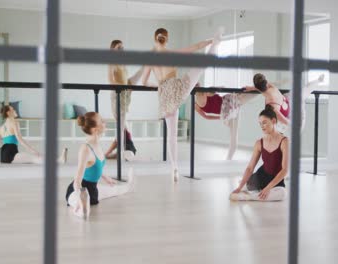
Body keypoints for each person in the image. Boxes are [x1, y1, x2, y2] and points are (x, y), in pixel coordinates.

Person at [141, 27, 222, 181]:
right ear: (167, 39)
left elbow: (144, 81)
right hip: (178, 89)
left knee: (171, 134)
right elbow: (196, 47)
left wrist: (158, 85)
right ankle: (216, 44)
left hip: (165, 95)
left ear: (154, 39)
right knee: (200, 67)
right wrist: (210, 41)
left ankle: (174, 168)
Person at [65, 112, 135, 219]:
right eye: (102, 121)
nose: (105, 122)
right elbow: (77, 181)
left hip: (93, 190)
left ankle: (129, 185)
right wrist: (81, 195)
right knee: (79, 201)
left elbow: (95, 167)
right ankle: (81, 207)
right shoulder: (86, 148)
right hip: (78, 189)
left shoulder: (97, 145)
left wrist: (106, 177)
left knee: (116, 190)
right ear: (95, 129)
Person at [230, 105, 289, 201]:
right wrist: (240, 187)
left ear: (273, 121)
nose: (262, 126)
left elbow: (285, 170)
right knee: (247, 185)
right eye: (260, 123)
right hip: (259, 178)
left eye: (264, 123)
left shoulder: (284, 141)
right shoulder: (259, 143)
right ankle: (246, 187)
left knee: (282, 194)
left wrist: (268, 188)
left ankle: (249, 197)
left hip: (275, 182)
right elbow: (250, 168)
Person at [0, 105, 67, 164]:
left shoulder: (0, 128)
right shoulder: (14, 123)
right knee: (34, 158)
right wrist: (32, 150)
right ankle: (59, 160)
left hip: (0, 154)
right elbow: (20, 139)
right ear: (8, 113)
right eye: (12, 109)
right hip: (10, 154)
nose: (14, 110)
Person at [194, 83, 258, 160]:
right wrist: (220, 117)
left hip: (227, 109)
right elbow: (218, 89)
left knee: (233, 135)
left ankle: (229, 158)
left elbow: (206, 116)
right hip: (228, 107)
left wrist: (220, 117)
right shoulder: (205, 93)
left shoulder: (197, 104)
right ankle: (261, 88)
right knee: (234, 135)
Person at [105, 39, 144, 161]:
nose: (121, 50)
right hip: (117, 96)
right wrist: (122, 88)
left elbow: (125, 80)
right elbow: (110, 80)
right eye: (118, 48)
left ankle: (115, 153)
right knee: (122, 128)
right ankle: (120, 153)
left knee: (123, 128)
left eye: (122, 47)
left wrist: (128, 87)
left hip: (125, 94)